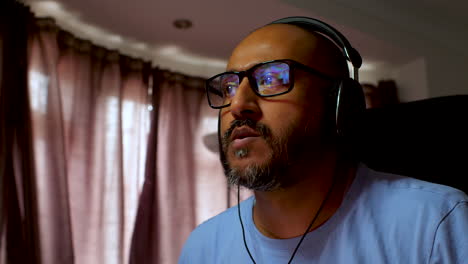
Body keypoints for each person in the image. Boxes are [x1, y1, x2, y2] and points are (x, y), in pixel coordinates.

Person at [178, 16, 468, 263]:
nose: (238, 105)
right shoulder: (203, 248)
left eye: (271, 79)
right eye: (229, 87)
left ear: (339, 107)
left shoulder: (434, 223)